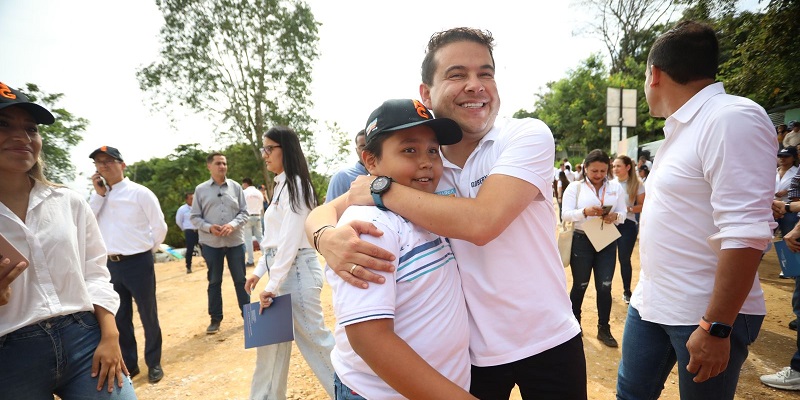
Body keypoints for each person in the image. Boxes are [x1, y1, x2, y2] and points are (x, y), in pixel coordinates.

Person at [307, 27, 586, 399]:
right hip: (474, 355)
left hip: (549, 339)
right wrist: (325, 238)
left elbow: (482, 222)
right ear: (427, 92)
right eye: (457, 74)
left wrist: (383, 188)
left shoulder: (524, 136)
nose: (475, 85)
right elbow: (325, 210)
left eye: (485, 73)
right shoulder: (424, 174)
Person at [616, 21, 776, 400]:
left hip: (703, 314)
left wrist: (717, 326)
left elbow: (746, 232)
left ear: (654, 74)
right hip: (652, 302)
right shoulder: (683, 128)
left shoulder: (730, 117)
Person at [326, 99, 473, 400]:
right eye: (409, 150)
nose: (426, 162)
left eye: (433, 150)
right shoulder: (371, 225)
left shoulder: (421, 208)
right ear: (371, 162)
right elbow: (370, 339)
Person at [0, 82, 137, 399]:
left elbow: (94, 272)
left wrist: (110, 334)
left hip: (84, 339)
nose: (22, 137)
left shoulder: (69, 202)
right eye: (3, 124)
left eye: (31, 128)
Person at [244, 126, 335, 399]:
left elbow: (290, 240)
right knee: (271, 345)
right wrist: (260, 272)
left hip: (294, 272)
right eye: (264, 149)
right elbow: (274, 239)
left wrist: (272, 284)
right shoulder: (281, 185)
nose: (265, 155)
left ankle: (350, 394)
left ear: (287, 149)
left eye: (269, 148)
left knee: (316, 342)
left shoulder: (297, 184)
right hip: (282, 271)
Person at [89, 145, 168, 384]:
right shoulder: (98, 197)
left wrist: (145, 251)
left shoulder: (139, 193)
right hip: (111, 265)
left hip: (138, 262)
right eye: (99, 162)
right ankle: (130, 365)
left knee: (148, 313)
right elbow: (88, 224)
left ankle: (154, 363)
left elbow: (160, 227)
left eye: (109, 161)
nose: (104, 166)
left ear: (122, 165)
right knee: (120, 317)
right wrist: (98, 195)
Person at [561, 149, 627, 347]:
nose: (598, 175)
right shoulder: (575, 188)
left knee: (605, 287)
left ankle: (604, 329)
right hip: (582, 240)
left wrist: (615, 216)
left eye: (602, 171)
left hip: (607, 239)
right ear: (586, 168)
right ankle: (574, 326)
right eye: (594, 171)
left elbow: (623, 211)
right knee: (580, 284)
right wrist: (584, 212)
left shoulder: (615, 187)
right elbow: (565, 214)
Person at [190, 152, 250, 334]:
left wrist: (232, 225)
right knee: (214, 281)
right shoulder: (200, 190)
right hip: (211, 243)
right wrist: (209, 227)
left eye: (224, 163)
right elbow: (194, 217)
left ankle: (248, 316)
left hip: (235, 241)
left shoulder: (236, 187)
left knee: (240, 280)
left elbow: (245, 213)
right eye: (218, 163)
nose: (222, 166)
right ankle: (215, 319)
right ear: (209, 166)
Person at [611, 154, 645, 304]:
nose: (615, 169)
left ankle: (627, 291)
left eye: (618, 166)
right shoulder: (610, 184)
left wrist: (628, 209)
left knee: (624, 259)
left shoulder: (637, 185)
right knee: (607, 259)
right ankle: (606, 290)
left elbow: (643, 206)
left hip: (628, 225)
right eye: (614, 166)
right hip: (610, 224)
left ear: (628, 167)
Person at [325, 129, 368, 202]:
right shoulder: (342, 177)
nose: (366, 149)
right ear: (356, 150)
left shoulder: (386, 175)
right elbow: (329, 210)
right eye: (362, 146)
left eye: (369, 144)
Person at [775, 147, 800, 237]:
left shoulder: (797, 171)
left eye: (786, 156)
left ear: (793, 158)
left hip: (791, 208)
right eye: (780, 156)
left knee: (788, 233)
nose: (782, 158)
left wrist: (787, 191)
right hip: (774, 207)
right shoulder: (773, 172)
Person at [241, 177, 265, 267]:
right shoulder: (259, 193)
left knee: (248, 240)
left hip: (247, 217)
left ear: (245, 184)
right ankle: (266, 256)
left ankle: (250, 261)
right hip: (258, 215)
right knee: (260, 237)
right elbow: (262, 205)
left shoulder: (244, 192)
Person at [175, 191, 198, 274]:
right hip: (189, 231)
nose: (193, 200)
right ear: (186, 199)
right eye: (191, 198)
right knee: (190, 249)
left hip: (199, 230)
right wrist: (184, 228)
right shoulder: (182, 209)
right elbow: (178, 221)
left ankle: (210, 263)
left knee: (205, 247)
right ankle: (188, 266)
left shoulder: (198, 207)